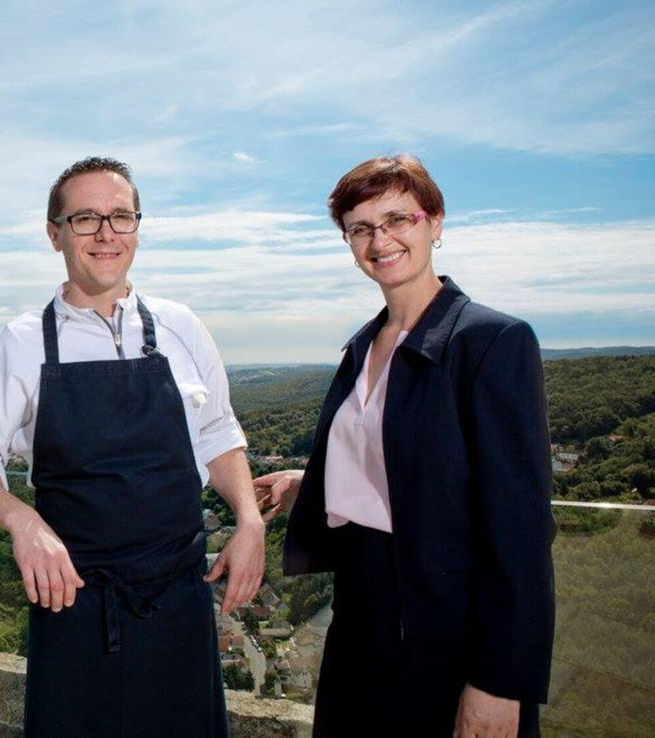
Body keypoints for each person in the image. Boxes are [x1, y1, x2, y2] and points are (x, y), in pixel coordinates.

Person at [0, 156, 266, 737]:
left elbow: (219, 432)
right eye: (86, 218)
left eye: (121, 217)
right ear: (55, 234)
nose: (106, 233)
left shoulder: (181, 326)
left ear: (138, 228)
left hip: (181, 598)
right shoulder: (20, 343)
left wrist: (249, 521)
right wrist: (23, 522)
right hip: (74, 601)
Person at [254, 155, 555, 737]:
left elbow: (520, 532)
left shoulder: (493, 341)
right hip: (360, 618)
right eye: (361, 228)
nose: (380, 240)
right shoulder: (364, 345)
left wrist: (499, 682)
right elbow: (398, 460)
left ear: (435, 222)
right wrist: (309, 484)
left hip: (448, 635)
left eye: (399, 219)